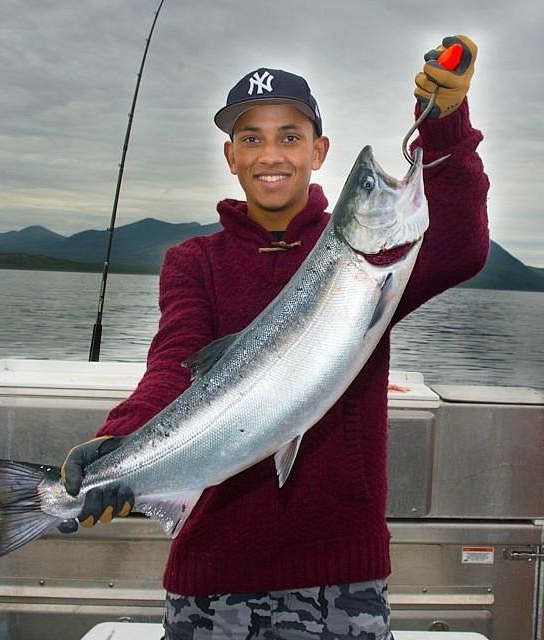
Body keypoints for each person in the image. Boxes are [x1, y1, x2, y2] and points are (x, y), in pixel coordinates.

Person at [59, 35, 490, 639]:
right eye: (251, 138)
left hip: (342, 575)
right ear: (231, 156)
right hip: (212, 574)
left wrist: (445, 126)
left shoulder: (375, 269)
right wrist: (119, 438)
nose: (272, 154)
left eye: (290, 136)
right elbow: (172, 371)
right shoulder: (194, 261)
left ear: (319, 151)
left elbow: (465, 249)